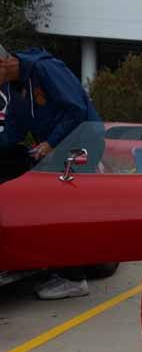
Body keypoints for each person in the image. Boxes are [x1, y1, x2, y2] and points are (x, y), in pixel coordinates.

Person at [0, 44, 102, 300]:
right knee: (37, 196)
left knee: (58, 203)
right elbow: (13, 131)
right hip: (55, 148)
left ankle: (75, 279)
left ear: (3, 64)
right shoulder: (14, 88)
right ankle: (52, 266)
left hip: (83, 140)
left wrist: (51, 142)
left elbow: (76, 109)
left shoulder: (45, 68)